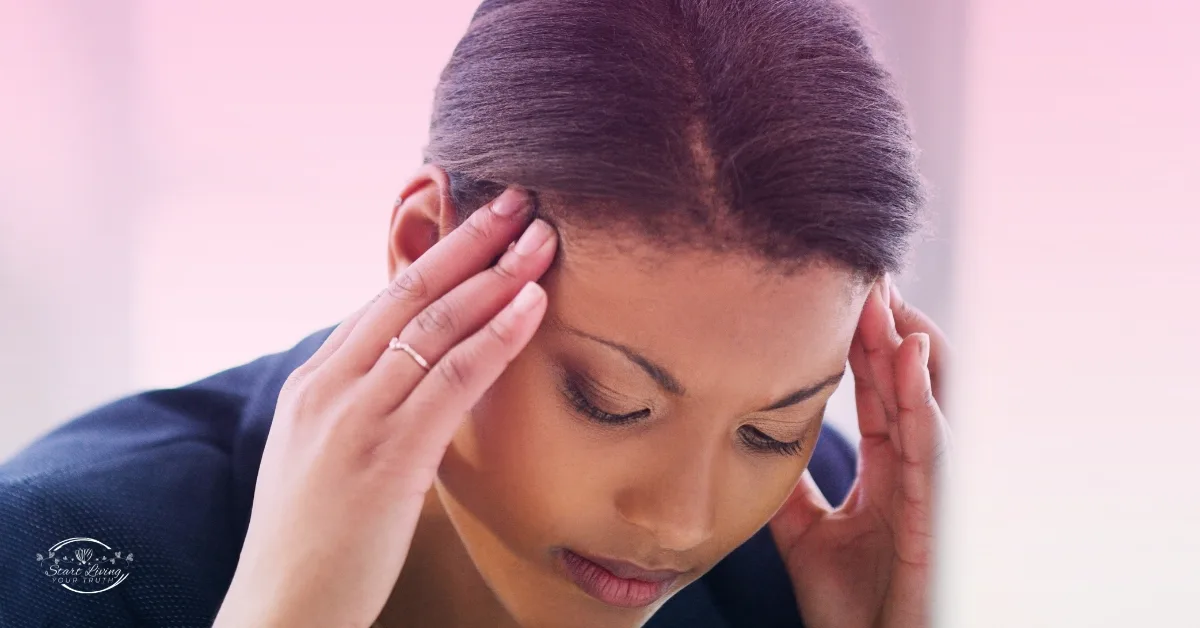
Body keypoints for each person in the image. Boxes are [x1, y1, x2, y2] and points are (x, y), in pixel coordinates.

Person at [0, 0, 953, 626]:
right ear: (428, 252)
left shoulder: (809, 551)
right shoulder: (77, 558)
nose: (681, 520)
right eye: (611, 401)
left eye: (768, 427)